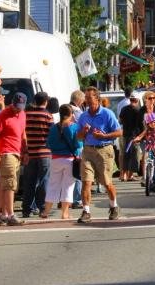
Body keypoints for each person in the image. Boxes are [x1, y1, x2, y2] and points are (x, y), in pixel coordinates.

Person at [76, 87, 123, 223]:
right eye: (86, 98)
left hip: (104, 150)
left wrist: (104, 136)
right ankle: (86, 211)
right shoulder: (83, 116)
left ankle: (114, 206)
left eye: (89, 98)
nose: (87, 101)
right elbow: (78, 137)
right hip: (88, 151)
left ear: (97, 98)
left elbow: (119, 132)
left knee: (107, 182)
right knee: (86, 182)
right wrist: (84, 132)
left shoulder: (107, 114)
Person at [0, 93, 27, 226]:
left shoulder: (23, 114)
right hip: (6, 152)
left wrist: (25, 150)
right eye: (16, 106)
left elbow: (23, 133)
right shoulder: (2, 115)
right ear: (12, 103)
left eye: (21, 107)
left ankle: (5, 214)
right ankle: (10, 214)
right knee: (9, 183)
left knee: (10, 184)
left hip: (16, 152)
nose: (18, 109)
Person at [44, 104, 82, 220]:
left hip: (55, 158)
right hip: (70, 159)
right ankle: (64, 213)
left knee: (53, 185)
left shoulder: (54, 128)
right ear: (71, 114)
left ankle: (46, 212)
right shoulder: (74, 127)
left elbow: (48, 144)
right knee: (68, 187)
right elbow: (78, 144)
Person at [21, 92, 53, 218]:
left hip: (29, 153)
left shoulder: (26, 115)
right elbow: (51, 135)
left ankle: (26, 208)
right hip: (44, 152)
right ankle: (42, 207)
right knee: (44, 180)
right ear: (45, 101)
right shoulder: (48, 116)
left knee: (29, 181)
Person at [118, 96, 143, 182]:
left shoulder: (124, 109)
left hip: (125, 134)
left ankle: (123, 175)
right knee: (134, 155)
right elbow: (140, 123)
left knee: (126, 155)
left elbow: (120, 120)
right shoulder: (137, 110)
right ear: (136, 101)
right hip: (134, 135)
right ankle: (130, 175)